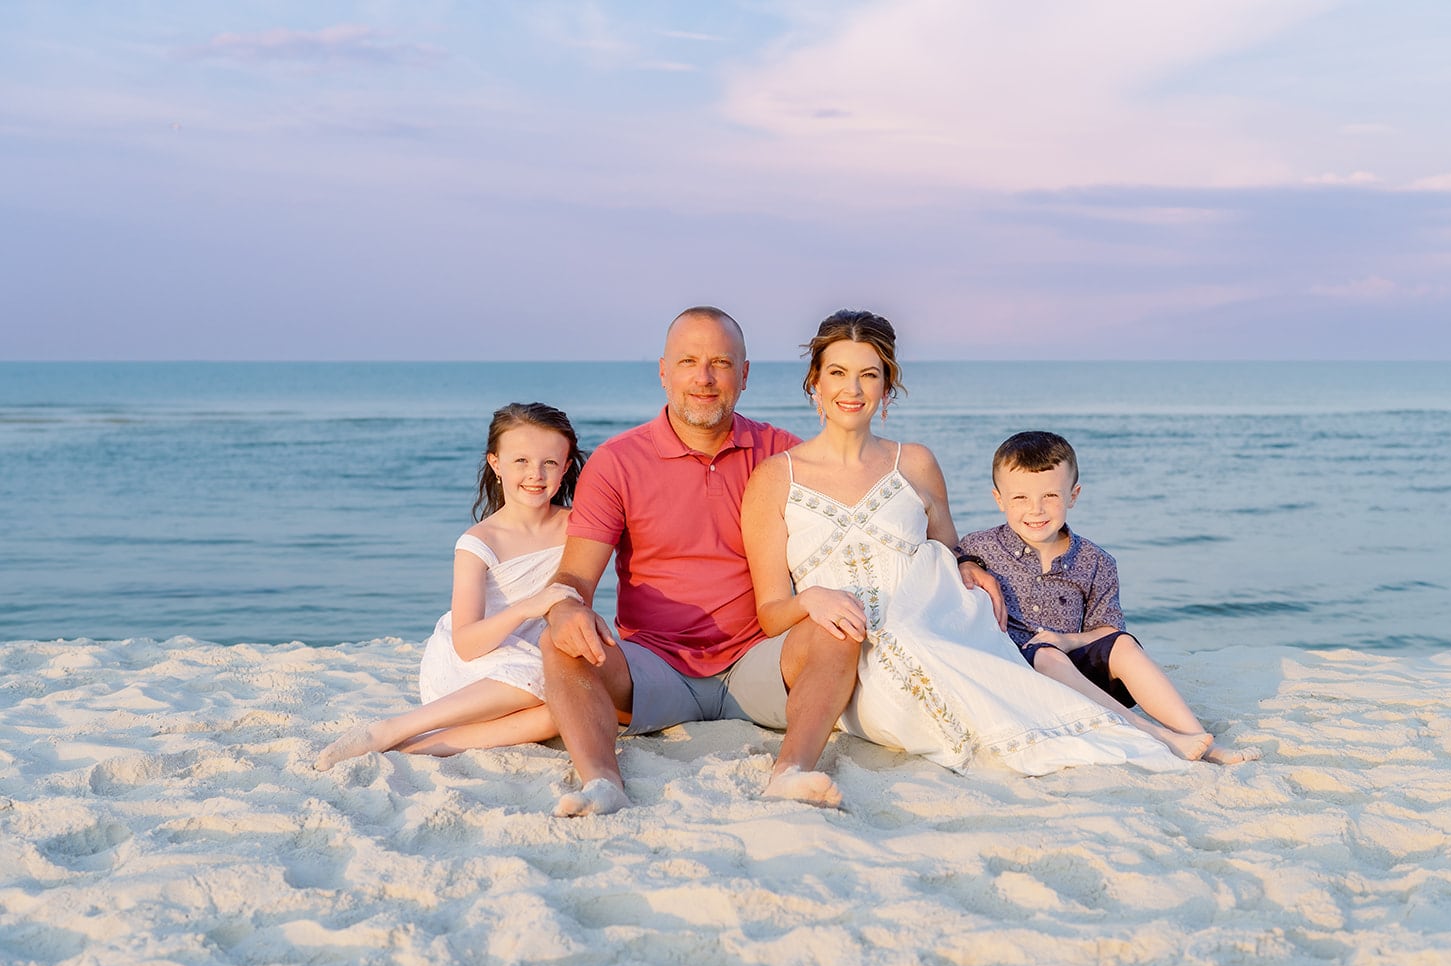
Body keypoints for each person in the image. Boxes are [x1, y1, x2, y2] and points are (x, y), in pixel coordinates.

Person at [740, 309, 1189, 776]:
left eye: (868, 375)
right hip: (838, 658)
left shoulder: (914, 462)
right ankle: (1148, 733)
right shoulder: (776, 478)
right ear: (815, 381)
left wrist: (970, 567)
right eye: (837, 373)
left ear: (886, 387)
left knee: (1011, 687)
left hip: (932, 627)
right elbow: (771, 613)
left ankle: (1152, 732)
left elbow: (949, 552)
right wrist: (812, 598)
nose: (851, 390)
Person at [537, 306, 864, 817]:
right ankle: (603, 782)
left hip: (762, 662)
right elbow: (575, 576)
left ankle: (790, 772)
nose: (705, 378)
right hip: (654, 668)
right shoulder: (617, 462)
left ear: (745, 374)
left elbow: (867, 520)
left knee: (839, 626)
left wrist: (963, 559)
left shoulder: (786, 455)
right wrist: (565, 610)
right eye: (689, 361)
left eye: (721, 363)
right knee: (559, 640)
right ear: (664, 372)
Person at [958, 431, 1262, 764]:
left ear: (1073, 495)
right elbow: (941, 565)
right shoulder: (979, 548)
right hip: (1018, 676)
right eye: (1020, 498)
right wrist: (965, 562)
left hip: (1080, 679)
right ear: (999, 499)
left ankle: (1198, 738)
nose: (1036, 510)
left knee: (1124, 643)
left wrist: (1068, 640)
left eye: (1050, 495)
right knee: (1046, 656)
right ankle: (1155, 735)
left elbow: (1107, 630)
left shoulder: (1095, 561)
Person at [314, 402, 589, 770]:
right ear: (495, 464)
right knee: (543, 677)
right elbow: (466, 643)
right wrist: (528, 606)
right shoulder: (478, 542)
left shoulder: (580, 527)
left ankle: (419, 748)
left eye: (549, 463)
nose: (535, 474)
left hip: (533, 660)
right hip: (471, 665)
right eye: (520, 461)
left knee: (564, 710)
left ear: (566, 466)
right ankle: (391, 729)